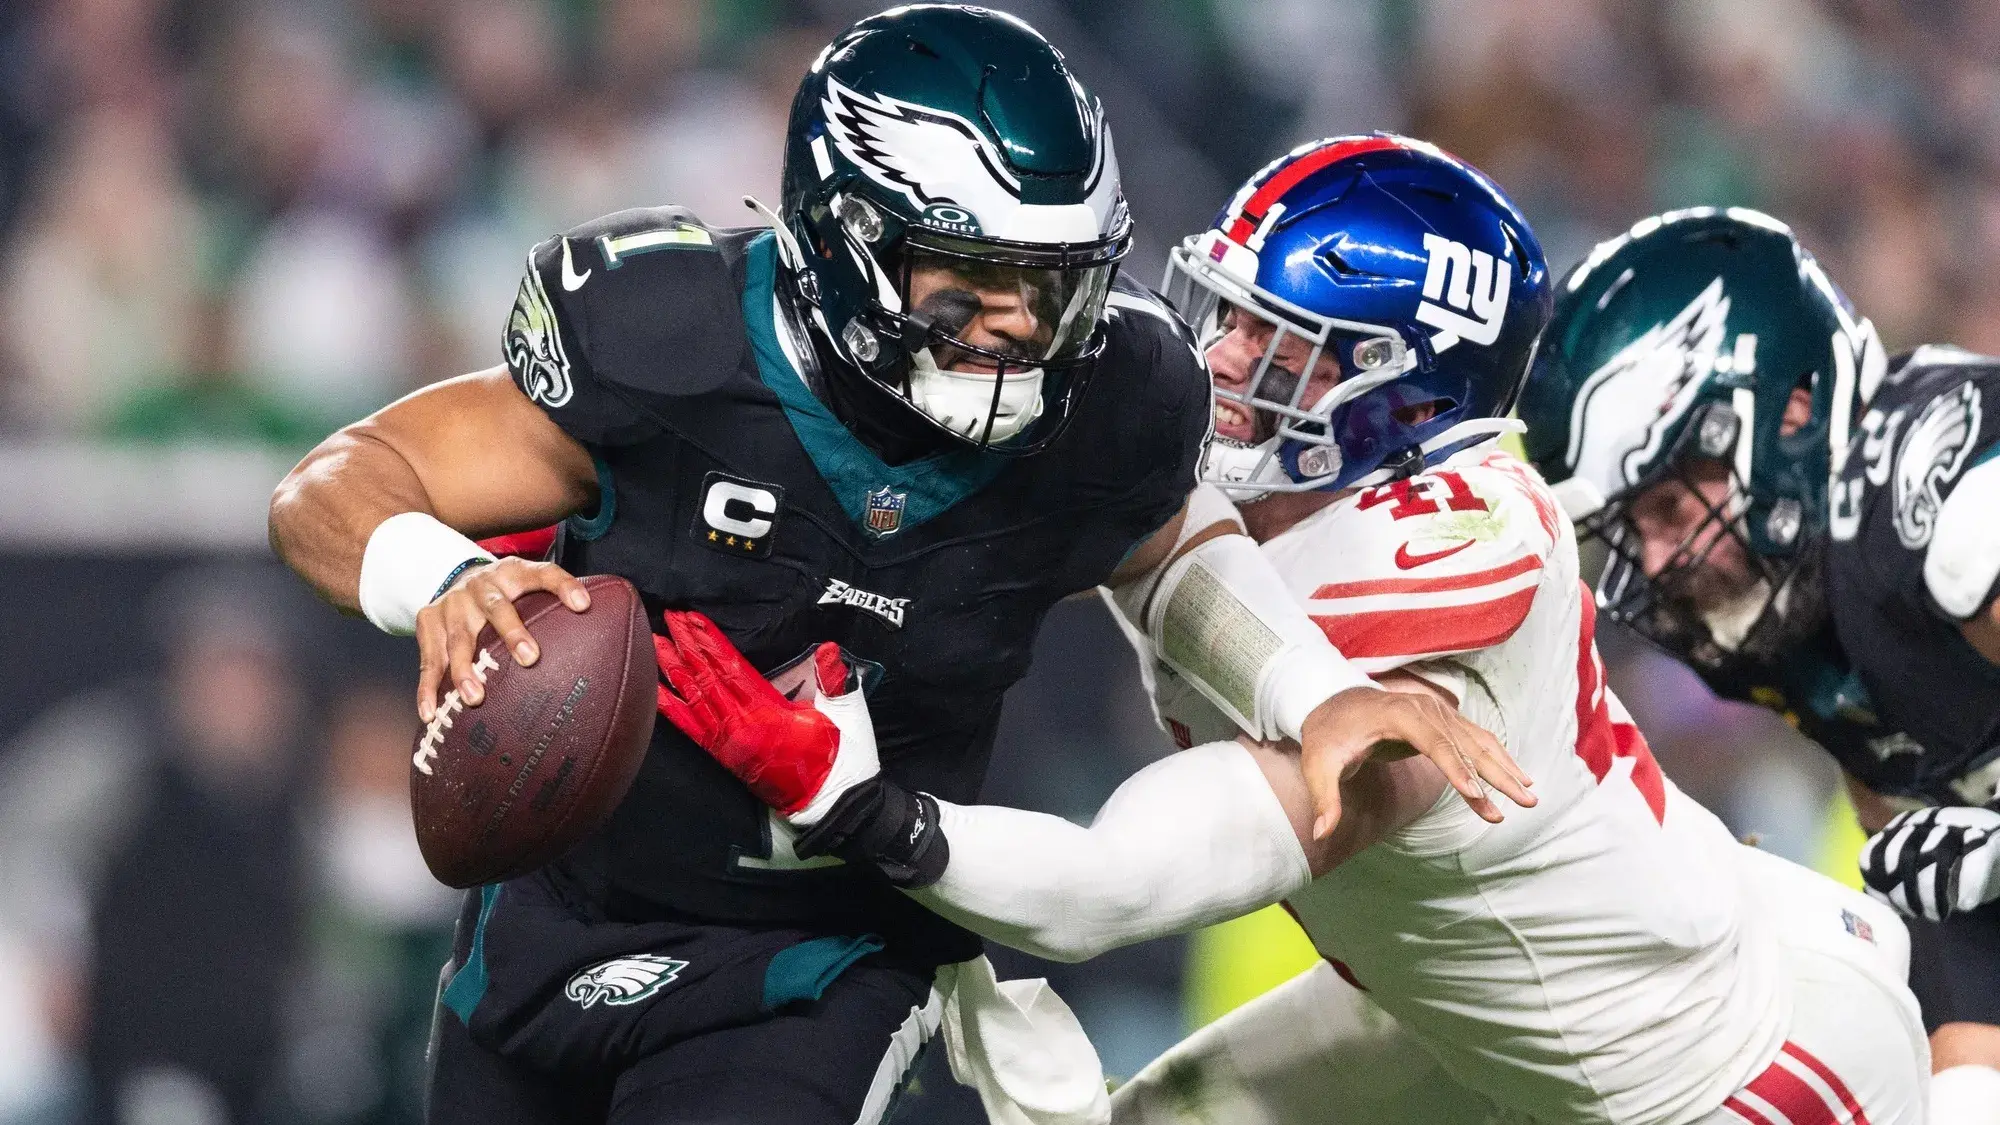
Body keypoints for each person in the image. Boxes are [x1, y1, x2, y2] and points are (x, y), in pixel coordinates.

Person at [266, 10, 1526, 1125]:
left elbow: (1171, 553)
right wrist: (435, 578)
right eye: (974, 279)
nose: (1022, 327)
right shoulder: (668, 339)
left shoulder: (1109, 403)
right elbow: (338, 482)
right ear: (844, 231)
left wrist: (1309, 694)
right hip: (556, 911)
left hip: (824, 951)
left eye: (1049, 285)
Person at [654, 138, 1931, 1125]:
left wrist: (875, 814)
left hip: (1712, 1075)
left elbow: (1116, 886)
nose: (1222, 357)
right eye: (1227, 311)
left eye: (1281, 343)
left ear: (1408, 398)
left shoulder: (1439, 573)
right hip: (1487, 1002)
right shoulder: (1265, 491)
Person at [1516, 206, 2000, 1124]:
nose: (1657, 562)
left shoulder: (1937, 502)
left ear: (1791, 407)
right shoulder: (1795, 611)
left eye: (1665, 506)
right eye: (1629, 529)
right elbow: (1935, 880)